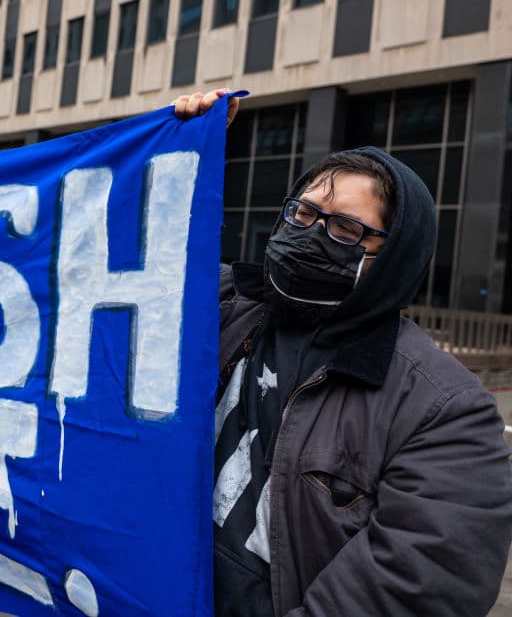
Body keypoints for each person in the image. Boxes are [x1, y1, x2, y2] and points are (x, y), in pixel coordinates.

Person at [174, 90, 512, 615]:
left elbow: (418, 585)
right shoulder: (219, 305)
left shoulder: (444, 411)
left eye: (346, 228)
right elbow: (114, 264)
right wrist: (179, 146)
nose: (312, 234)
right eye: (304, 213)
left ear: (394, 256)